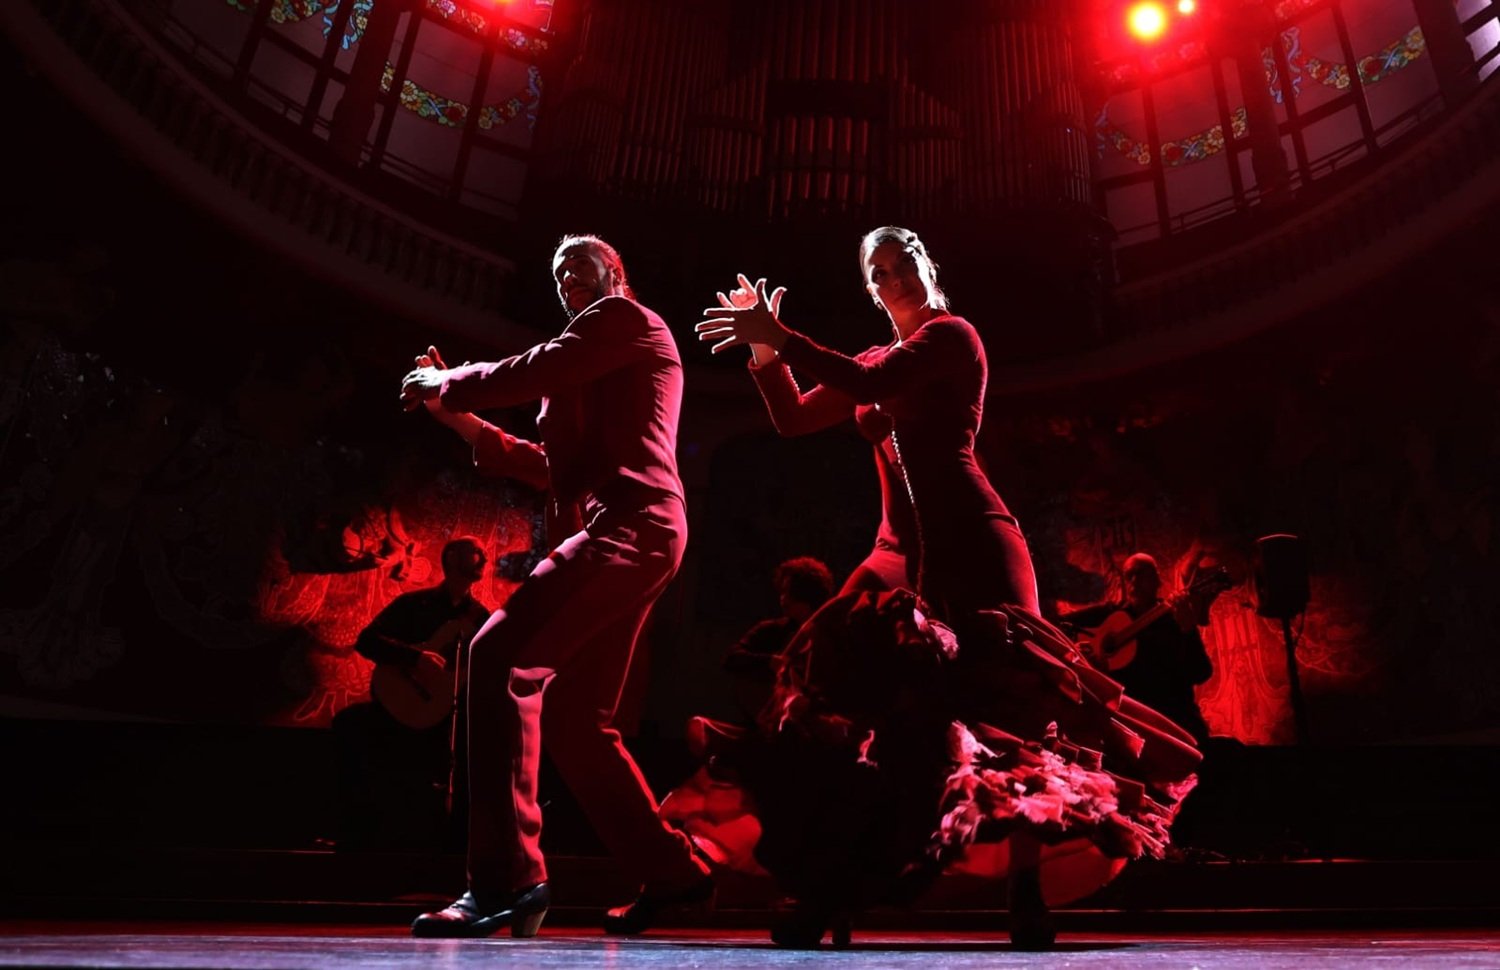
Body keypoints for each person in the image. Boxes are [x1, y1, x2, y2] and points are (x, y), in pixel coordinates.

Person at [694, 227, 1202, 948]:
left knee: (1008, 713)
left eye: (903, 262)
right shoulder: (874, 357)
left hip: (972, 540)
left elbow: (873, 387)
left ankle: (1025, 893)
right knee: (851, 701)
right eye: (879, 271)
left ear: (928, 266)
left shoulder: (952, 337)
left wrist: (784, 336)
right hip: (899, 553)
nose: (893, 277)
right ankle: (829, 888)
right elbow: (793, 418)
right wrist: (766, 352)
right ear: (870, 290)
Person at [399, 234, 710, 939]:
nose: (568, 277)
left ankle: (504, 881)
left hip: (632, 524)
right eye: (558, 272)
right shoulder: (586, 361)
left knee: (495, 656)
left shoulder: (624, 320)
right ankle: (674, 874)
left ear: (615, 271)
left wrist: (446, 383)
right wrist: (456, 413)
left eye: (580, 264)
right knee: (575, 722)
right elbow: (546, 466)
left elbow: (533, 367)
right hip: (635, 531)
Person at [331, 536, 490, 851]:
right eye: (476, 552)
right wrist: (414, 658)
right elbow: (367, 640)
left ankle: (450, 848)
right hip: (395, 711)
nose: (484, 557)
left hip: (440, 720)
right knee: (350, 728)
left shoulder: (482, 618)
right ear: (451, 558)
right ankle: (356, 839)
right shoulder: (414, 605)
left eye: (484, 553)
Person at [1060, 553, 1215, 744]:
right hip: (1129, 729)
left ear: (1157, 579)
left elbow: (1201, 672)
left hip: (1176, 723)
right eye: (1129, 576)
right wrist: (1078, 653)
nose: (1134, 580)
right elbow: (1059, 625)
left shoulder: (1175, 618)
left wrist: (1188, 630)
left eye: (1141, 573)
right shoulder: (1110, 614)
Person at [723, 556, 835, 722]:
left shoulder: (829, 637)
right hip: (772, 719)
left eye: (789, 593)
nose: (783, 598)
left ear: (806, 595)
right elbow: (732, 657)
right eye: (782, 592)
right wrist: (770, 662)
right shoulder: (772, 631)